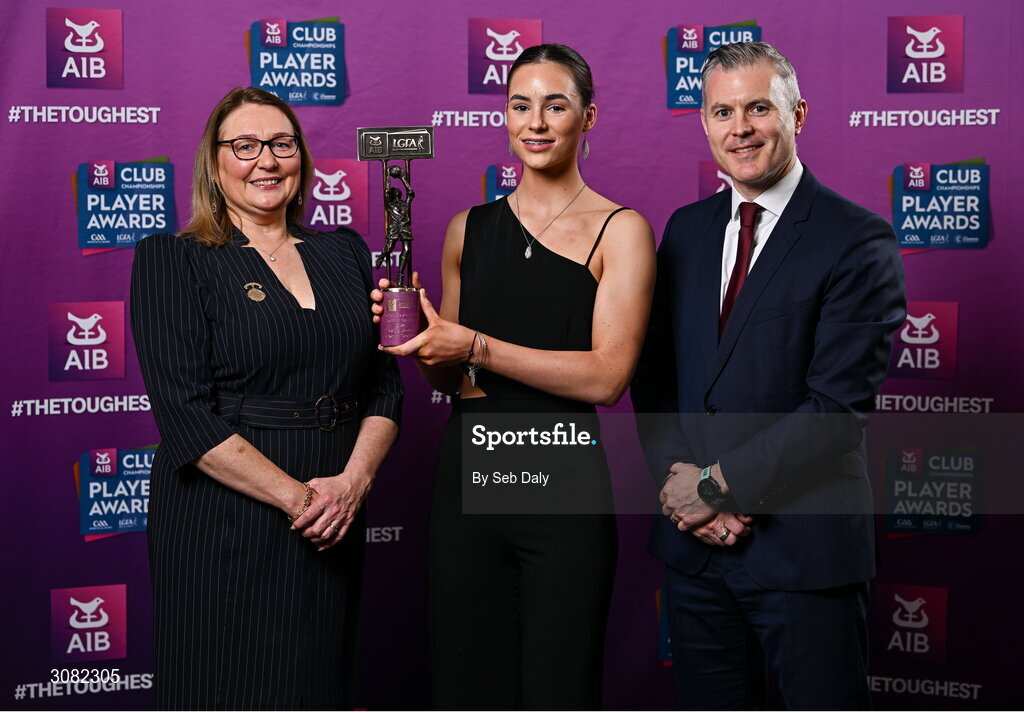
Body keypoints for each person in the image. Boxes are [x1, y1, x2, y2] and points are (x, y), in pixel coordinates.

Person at [372, 44, 655, 709]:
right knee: (468, 682)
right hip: (470, 482)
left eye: (556, 105)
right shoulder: (466, 230)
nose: (536, 121)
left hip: (563, 491)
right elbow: (451, 384)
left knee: (560, 684)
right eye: (520, 104)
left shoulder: (621, 231)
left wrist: (473, 342)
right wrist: (422, 341)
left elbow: (607, 377)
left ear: (589, 117)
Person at [632, 42, 906, 709]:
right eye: (723, 111)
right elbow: (658, 379)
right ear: (704, 123)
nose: (740, 127)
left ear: (798, 113)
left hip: (804, 553)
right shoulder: (687, 231)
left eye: (759, 107)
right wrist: (682, 491)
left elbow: (836, 411)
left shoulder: (857, 239)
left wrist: (714, 488)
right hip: (697, 554)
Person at [130, 86, 402, 709]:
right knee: (224, 686)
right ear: (215, 161)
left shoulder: (347, 253)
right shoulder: (175, 259)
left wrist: (352, 485)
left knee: (315, 683)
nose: (267, 161)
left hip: (334, 507)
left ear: (302, 159)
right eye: (245, 145)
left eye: (282, 144)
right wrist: (301, 499)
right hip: (225, 516)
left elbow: (385, 387)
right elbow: (183, 415)